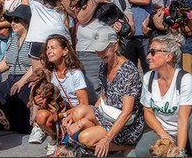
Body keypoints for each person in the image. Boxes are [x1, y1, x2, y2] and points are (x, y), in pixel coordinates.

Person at [60, 25, 145, 156]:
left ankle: (123, 146)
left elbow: (127, 113)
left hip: (126, 125)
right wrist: (78, 119)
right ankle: (94, 136)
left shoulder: (129, 72)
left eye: (103, 50)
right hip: (108, 115)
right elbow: (103, 97)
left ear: (115, 46)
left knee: (84, 138)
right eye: (97, 50)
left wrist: (107, 138)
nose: (99, 54)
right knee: (78, 112)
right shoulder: (104, 65)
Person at [135, 34, 192, 158]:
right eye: (149, 52)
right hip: (165, 131)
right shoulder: (148, 78)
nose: (148, 57)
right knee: (142, 151)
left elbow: (182, 119)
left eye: (153, 52)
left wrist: (179, 152)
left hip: (188, 129)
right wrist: (163, 134)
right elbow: (148, 112)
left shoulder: (185, 79)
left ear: (168, 57)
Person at [35, 34, 91, 148]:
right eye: (47, 48)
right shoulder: (49, 73)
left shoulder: (75, 73)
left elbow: (84, 104)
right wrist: (38, 100)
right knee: (41, 116)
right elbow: (45, 95)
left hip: (75, 112)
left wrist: (62, 115)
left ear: (65, 51)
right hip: (58, 109)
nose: (49, 51)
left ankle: (66, 142)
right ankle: (55, 139)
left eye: (53, 47)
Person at [0, 5, 34, 134]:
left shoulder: (33, 40)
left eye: (17, 20)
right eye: (11, 20)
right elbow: (6, 62)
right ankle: (0, 120)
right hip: (11, 77)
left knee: (22, 126)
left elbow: (35, 66)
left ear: (27, 22)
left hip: (27, 79)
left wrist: (21, 82)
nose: (12, 23)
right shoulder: (13, 38)